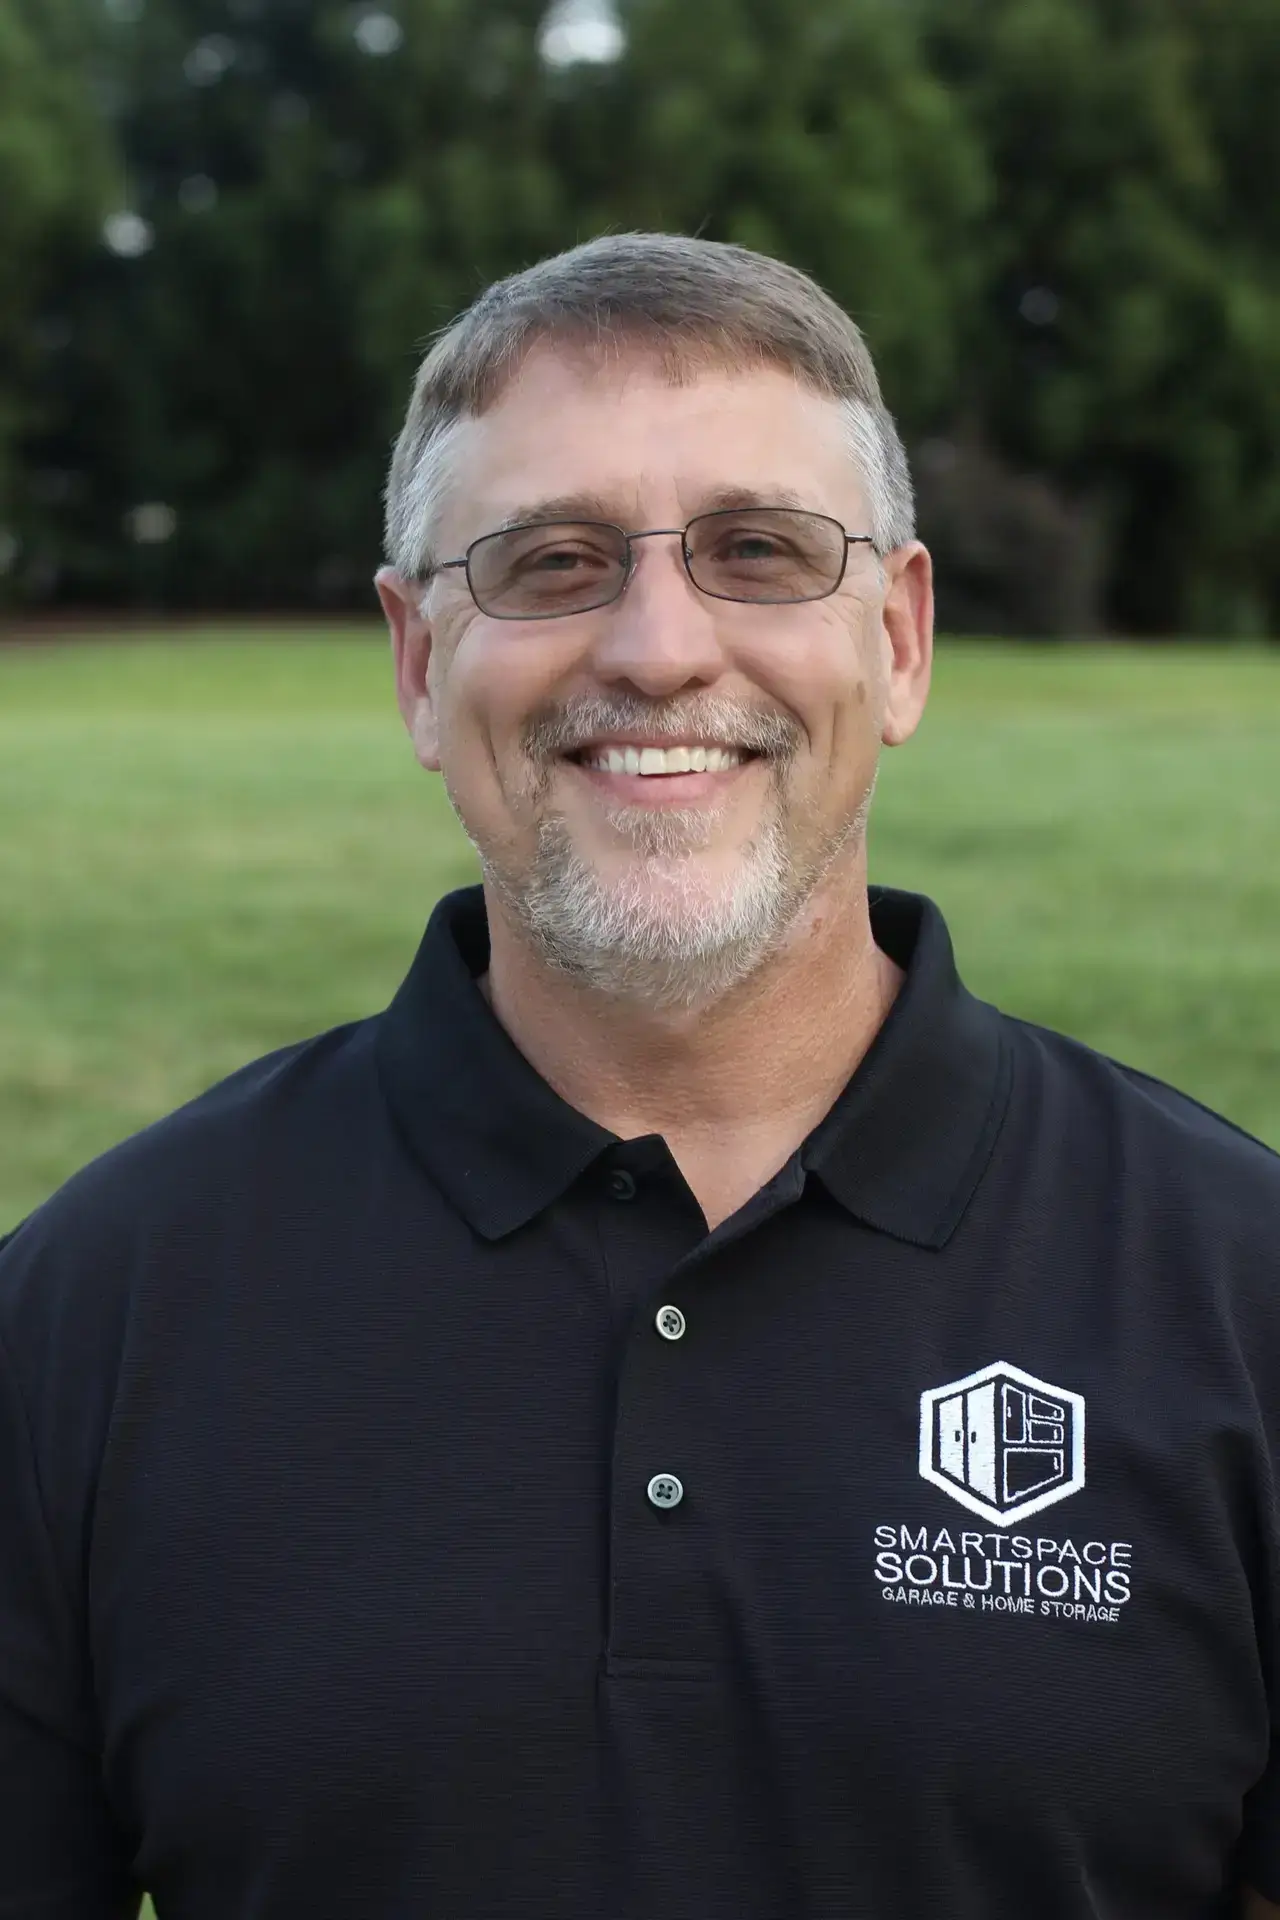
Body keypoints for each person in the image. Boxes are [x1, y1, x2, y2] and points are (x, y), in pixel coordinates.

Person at [1, 233, 1278, 1920]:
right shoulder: (92, 1311)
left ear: (898, 642)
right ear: (415, 662)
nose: (661, 647)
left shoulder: (1241, 1288)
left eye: (758, 550)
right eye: (551, 561)